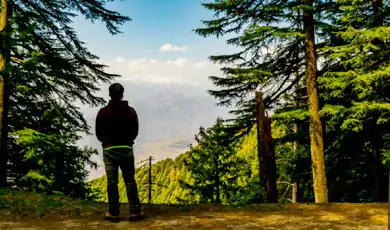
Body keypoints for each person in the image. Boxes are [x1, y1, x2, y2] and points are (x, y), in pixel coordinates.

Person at [95, 83, 144, 222]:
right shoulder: (131, 112)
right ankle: (135, 210)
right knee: (130, 180)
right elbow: (135, 131)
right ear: (122, 94)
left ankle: (113, 212)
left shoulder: (103, 112)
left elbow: (99, 133)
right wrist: (127, 141)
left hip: (109, 150)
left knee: (112, 182)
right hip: (126, 149)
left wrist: (107, 143)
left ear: (110, 94)